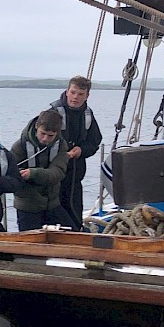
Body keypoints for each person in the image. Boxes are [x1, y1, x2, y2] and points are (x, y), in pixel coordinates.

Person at [50, 76, 103, 229]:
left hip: (75, 174)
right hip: (54, 175)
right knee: (56, 213)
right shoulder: (54, 113)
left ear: (87, 95)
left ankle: (76, 232)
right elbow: (42, 139)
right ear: (67, 92)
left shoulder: (87, 114)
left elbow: (94, 141)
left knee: (74, 212)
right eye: (73, 92)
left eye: (80, 94)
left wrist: (81, 150)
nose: (75, 97)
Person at [10, 109, 74, 231]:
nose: (45, 139)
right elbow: (11, 174)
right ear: (36, 127)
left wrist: (33, 173)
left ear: (57, 133)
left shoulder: (61, 145)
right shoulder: (19, 146)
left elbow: (57, 173)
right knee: (29, 244)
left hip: (52, 204)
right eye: (42, 133)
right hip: (27, 206)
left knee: (73, 234)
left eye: (50, 136)